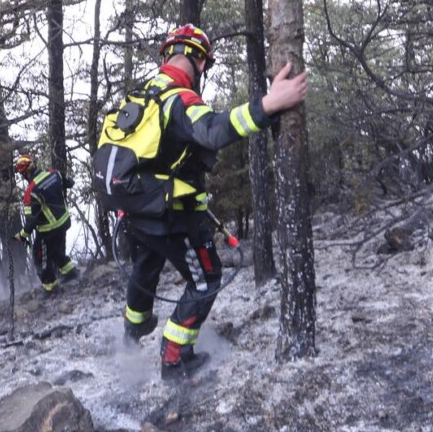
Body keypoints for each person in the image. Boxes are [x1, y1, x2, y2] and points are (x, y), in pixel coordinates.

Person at [118, 24, 309, 379]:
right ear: (199, 60)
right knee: (206, 277)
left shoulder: (138, 98)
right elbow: (214, 130)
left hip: (135, 211)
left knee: (146, 265)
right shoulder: (179, 97)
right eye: (204, 62)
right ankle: (175, 359)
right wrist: (270, 104)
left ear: (168, 54)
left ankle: (132, 333)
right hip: (169, 214)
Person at [13, 154, 79, 293]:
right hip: (65, 222)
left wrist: (21, 235)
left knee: (40, 260)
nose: (22, 176)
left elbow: (31, 221)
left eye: (22, 173)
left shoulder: (31, 192)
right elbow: (70, 183)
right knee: (55, 251)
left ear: (27, 172)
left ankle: (51, 288)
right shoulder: (55, 174)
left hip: (49, 229)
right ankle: (71, 274)